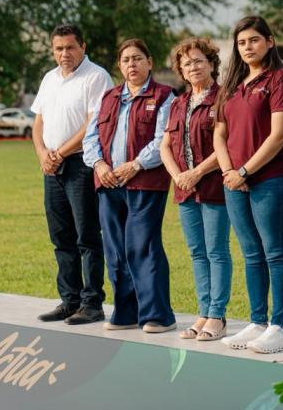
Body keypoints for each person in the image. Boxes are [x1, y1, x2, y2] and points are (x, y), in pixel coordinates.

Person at [214, 15, 283, 354]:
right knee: (251, 252)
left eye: (254, 40)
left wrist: (245, 171)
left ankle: (278, 327)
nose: (247, 47)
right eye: (241, 42)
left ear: (270, 41)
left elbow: (279, 135)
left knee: (274, 251)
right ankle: (258, 321)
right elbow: (220, 134)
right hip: (234, 181)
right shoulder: (232, 84)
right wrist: (229, 173)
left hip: (271, 179)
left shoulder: (280, 80)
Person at [83, 38, 177, 333]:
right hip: (108, 183)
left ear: (150, 62)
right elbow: (91, 138)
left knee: (143, 247)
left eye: (137, 58)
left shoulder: (164, 96)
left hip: (145, 183)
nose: (131, 64)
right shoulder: (108, 97)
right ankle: (126, 313)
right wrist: (100, 165)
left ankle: (158, 315)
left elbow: (163, 139)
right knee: (115, 250)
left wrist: (135, 164)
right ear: (119, 66)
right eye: (126, 60)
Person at [31, 24, 113, 325]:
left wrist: (60, 153)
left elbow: (92, 125)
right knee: (61, 236)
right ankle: (69, 300)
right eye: (59, 48)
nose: (64, 53)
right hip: (51, 166)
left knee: (86, 236)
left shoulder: (96, 77)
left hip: (80, 164)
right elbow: (38, 123)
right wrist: (43, 154)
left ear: (83, 47)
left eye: (70, 47)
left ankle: (92, 303)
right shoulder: (49, 78)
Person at [160, 37, 231, 342]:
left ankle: (217, 315)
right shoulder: (178, 103)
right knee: (197, 252)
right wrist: (178, 176)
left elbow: (227, 144)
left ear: (211, 63)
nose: (193, 67)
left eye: (199, 61)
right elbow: (165, 145)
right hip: (185, 190)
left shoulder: (224, 98)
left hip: (214, 187)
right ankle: (203, 312)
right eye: (187, 63)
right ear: (181, 70)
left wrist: (197, 172)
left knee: (216, 251)